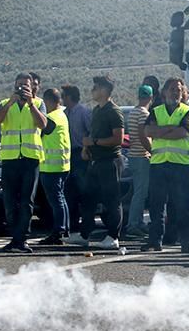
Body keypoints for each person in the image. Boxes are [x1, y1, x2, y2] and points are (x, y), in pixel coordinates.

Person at [0, 73, 47, 253]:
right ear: (14, 86)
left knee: (26, 201)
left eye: (26, 85)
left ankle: (21, 238)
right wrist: (10, 103)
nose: (22, 88)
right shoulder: (5, 103)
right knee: (9, 201)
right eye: (19, 85)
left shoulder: (38, 104)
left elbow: (43, 124)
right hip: (10, 158)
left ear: (32, 87)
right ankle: (14, 237)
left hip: (30, 158)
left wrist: (30, 104)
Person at [67, 76, 124, 250]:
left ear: (104, 90)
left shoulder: (113, 111)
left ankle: (113, 236)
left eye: (96, 87)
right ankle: (84, 234)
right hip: (95, 161)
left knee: (111, 200)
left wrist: (95, 142)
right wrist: (87, 149)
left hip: (110, 161)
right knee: (88, 198)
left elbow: (118, 138)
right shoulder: (97, 111)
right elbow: (92, 135)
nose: (92, 90)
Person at [142, 77, 189, 253]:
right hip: (158, 164)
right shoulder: (156, 110)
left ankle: (187, 242)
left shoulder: (188, 112)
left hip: (180, 165)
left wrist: (161, 131)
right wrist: (169, 129)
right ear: (165, 92)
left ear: (183, 94)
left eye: (179, 90)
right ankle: (154, 240)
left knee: (183, 205)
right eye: (172, 89)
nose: (175, 92)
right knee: (156, 205)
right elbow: (147, 131)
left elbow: (182, 133)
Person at [37, 88, 70, 245]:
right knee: (61, 199)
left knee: (56, 200)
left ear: (48, 101)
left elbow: (40, 132)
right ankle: (65, 229)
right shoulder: (62, 115)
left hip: (51, 166)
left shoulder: (51, 118)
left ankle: (59, 231)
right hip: (63, 165)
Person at [61, 83, 92, 237]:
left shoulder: (84, 112)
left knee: (83, 191)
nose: (61, 99)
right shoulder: (64, 113)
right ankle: (72, 226)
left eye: (63, 96)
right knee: (69, 191)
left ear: (69, 96)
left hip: (81, 154)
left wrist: (87, 151)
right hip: (67, 155)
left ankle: (86, 226)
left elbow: (91, 131)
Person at [125, 84, 154, 237]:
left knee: (139, 191)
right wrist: (152, 152)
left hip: (133, 155)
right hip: (141, 156)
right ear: (151, 97)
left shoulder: (133, 112)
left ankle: (138, 222)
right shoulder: (143, 113)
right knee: (140, 192)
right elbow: (143, 136)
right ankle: (133, 224)